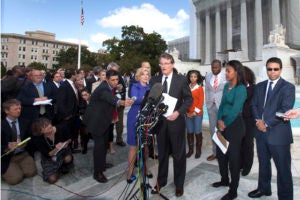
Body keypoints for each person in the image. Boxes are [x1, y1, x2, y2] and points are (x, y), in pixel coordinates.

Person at [248, 57, 295, 200]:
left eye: (276, 69)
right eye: (270, 69)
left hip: (278, 134)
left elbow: (285, 109)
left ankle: (285, 197)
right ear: (266, 69)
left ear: (280, 70)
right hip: (261, 133)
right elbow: (253, 105)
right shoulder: (260, 86)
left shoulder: (288, 87)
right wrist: (258, 121)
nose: (272, 72)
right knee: (263, 163)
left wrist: (266, 123)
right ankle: (264, 189)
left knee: (283, 170)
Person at [151, 53, 192, 197]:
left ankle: (179, 184)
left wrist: (178, 113)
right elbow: (151, 99)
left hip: (176, 123)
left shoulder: (181, 80)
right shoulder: (155, 80)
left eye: (167, 63)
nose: (163, 66)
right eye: (161, 63)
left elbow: (188, 100)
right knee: (162, 154)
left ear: (172, 64)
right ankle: (160, 182)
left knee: (179, 155)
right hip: (161, 124)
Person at [83, 70, 134, 183]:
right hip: (96, 122)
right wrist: (123, 102)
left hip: (104, 120)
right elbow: (112, 99)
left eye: (117, 79)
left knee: (104, 145)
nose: (115, 82)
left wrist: (117, 88)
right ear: (106, 79)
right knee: (99, 147)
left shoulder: (109, 86)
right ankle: (98, 173)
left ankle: (102, 164)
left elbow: (112, 92)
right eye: (113, 80)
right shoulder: (103, 89)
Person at [212, 60, 247, 200]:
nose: (225, 73)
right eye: (225, 70)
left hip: (235, 126)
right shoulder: (227, 86)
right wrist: (219, 120)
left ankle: (233, 190)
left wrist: (224, 123)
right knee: (221, 155)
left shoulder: (241, 89)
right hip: (223, 124)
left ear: (236, 72)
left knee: (233, 159)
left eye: (228, 71)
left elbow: (235, 110)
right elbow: (221, 106)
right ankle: (224, 179)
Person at [1, 99, 37, 185]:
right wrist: (7, 147)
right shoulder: (1, 125)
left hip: (22, 153)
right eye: (15, 109)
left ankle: (19, 167)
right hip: (7, 157)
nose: (18, 111)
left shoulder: (25, 122)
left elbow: (31, 137)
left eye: (19, 108)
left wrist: (26, 143)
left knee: (31, 173)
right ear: (6, 111)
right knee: (15, 179)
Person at [126, 67, 151, 183]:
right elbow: (135, 100)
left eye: (147, 74)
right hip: (134, 117)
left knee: (145, 145)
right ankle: (130, 172)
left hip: (147, 117)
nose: (145, 76)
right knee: (133, 146)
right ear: (138, 76)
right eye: (143, 74)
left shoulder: (150, 87)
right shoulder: (135, 86)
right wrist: (149, 98)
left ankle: (146, 168)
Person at [31, 118, 73, 184]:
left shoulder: (61, 128)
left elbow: (70, 139)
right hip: (50, 157)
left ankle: (63, 166)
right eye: (45, 127)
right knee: (52, 180)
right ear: (40, 131)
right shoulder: (38, 139)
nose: (49, 126)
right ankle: (55, 169)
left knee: (68, 158)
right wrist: (56, 148)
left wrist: (65, 143)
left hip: (63, 151)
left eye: (49, 124)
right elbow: (48, 154)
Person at [205, 59, 226, 161]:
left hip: (222, 107)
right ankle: (215, 152)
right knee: (213, 130)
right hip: (211, 107)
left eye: (216, 67)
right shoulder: (208, 76)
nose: (214, 69)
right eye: (212, 67)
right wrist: (207, 103)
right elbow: (207, 90)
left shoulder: (226, 75)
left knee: (224, 130)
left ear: (221, 67)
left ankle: (224, 153)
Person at [240, 66, 256, 176]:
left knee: (248, 144)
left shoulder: (254, 88)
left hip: (249, 120)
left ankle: (247, 166)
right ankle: (240, 163)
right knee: (239, 143)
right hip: (237, 120)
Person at [107, 62, 127, 147]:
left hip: (119, 105)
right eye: (114, 71)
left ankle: (119, 139)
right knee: (109, 125)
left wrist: (122, 89)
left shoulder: (119, 77)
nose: (116, 73)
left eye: (117, 71)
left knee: (119, 124)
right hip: (109, 105)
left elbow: (124, 88)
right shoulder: (105, 78)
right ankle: (108, 142)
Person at [185, 70, 204, 159]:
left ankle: (198, 150)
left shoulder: (199, 88)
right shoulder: (186, 87)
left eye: (195, 77)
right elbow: (183, 101)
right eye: (191, 76)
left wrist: (194, 112)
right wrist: (186, 112)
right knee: (189, 132)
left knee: (197, 131)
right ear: (189, 77)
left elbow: (201, 102)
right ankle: (191, 150)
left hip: (197, 114)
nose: (193, 78)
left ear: (198, 78)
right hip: (188, 114)